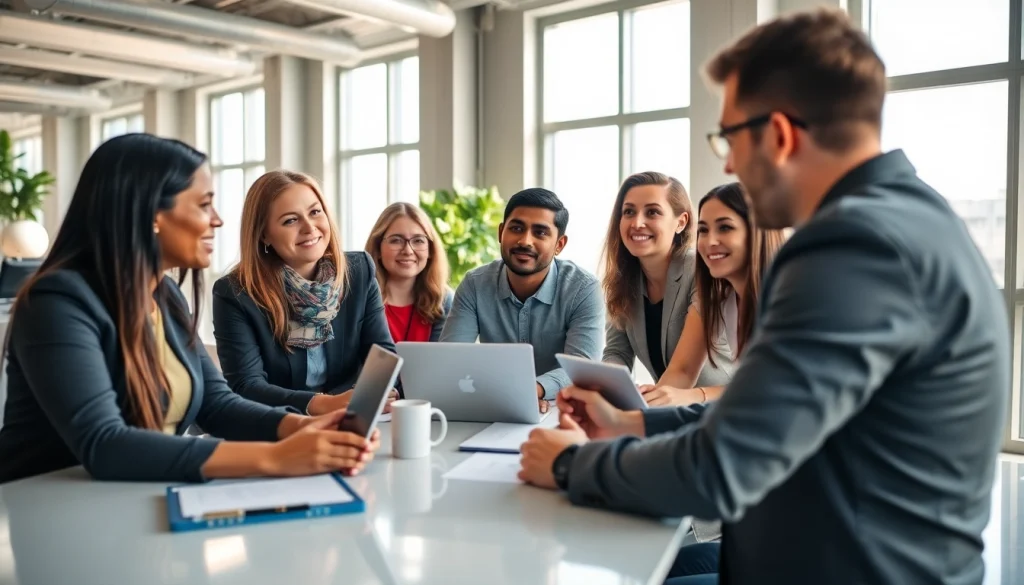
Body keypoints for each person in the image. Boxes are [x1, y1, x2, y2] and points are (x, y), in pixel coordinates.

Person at [518, 8, 1009, 585]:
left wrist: (573, 463)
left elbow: (722, 466)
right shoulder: (909, 220)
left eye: (729, 137)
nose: (727, 162)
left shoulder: (852, 246)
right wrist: (631, 427)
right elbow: (754, 412)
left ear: (778, 134)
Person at [0, 134, 378, 484]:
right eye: (203, 204)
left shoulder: (163, 293)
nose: (218, 219)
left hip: (129, 499)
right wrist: (275, 457)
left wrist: (302, 429)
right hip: (41, 506)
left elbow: (217, 404)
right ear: (151, 215)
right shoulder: (56, 303)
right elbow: (104, 444)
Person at [213, 170, 397, 416]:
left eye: (315, 212)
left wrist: (376, 394)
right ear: (263, 234)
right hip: (279, 427)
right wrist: (324, 404)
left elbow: (383, 357)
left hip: (354, 419)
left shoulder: (359, 271)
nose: (310, 228)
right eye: (290, 220)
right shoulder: (235, 293)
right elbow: (246, 386)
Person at [439, 187, 604, 413]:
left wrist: (531, 389)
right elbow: (450, 358)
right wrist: (509, 394)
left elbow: (582, 367)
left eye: (541, 233)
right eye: (516, 228)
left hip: (563, 410)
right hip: (494, 405)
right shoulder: (474, 284)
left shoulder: (583, 289)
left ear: (560, 245)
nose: (525, 241)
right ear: (500, 233)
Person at [643, 182, 786, 407]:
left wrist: (696, 395)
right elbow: (682, 371)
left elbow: (773, 386)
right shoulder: (716, 297)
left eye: (725, 228)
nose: (710, 242)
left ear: (757, 230)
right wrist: (647, 405)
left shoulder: (790, 297)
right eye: (703, 230)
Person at [599, 172, 734, 409]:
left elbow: (683, 372)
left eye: (652, 212)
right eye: (628, 211)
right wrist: (606, 389)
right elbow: (616, 352)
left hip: (722, 406)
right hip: (673, 411)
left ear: (681, 222)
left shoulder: (702, 269)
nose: (637, 222)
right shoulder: (622, 279)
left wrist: (639, 413)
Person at [364, 202, 454, 343]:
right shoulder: (359, 299)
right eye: (396, 240)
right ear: (377, 249)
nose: (407, 250)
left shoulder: (444, 300)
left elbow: (443, 361)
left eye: (418, 240)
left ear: (430, 250)